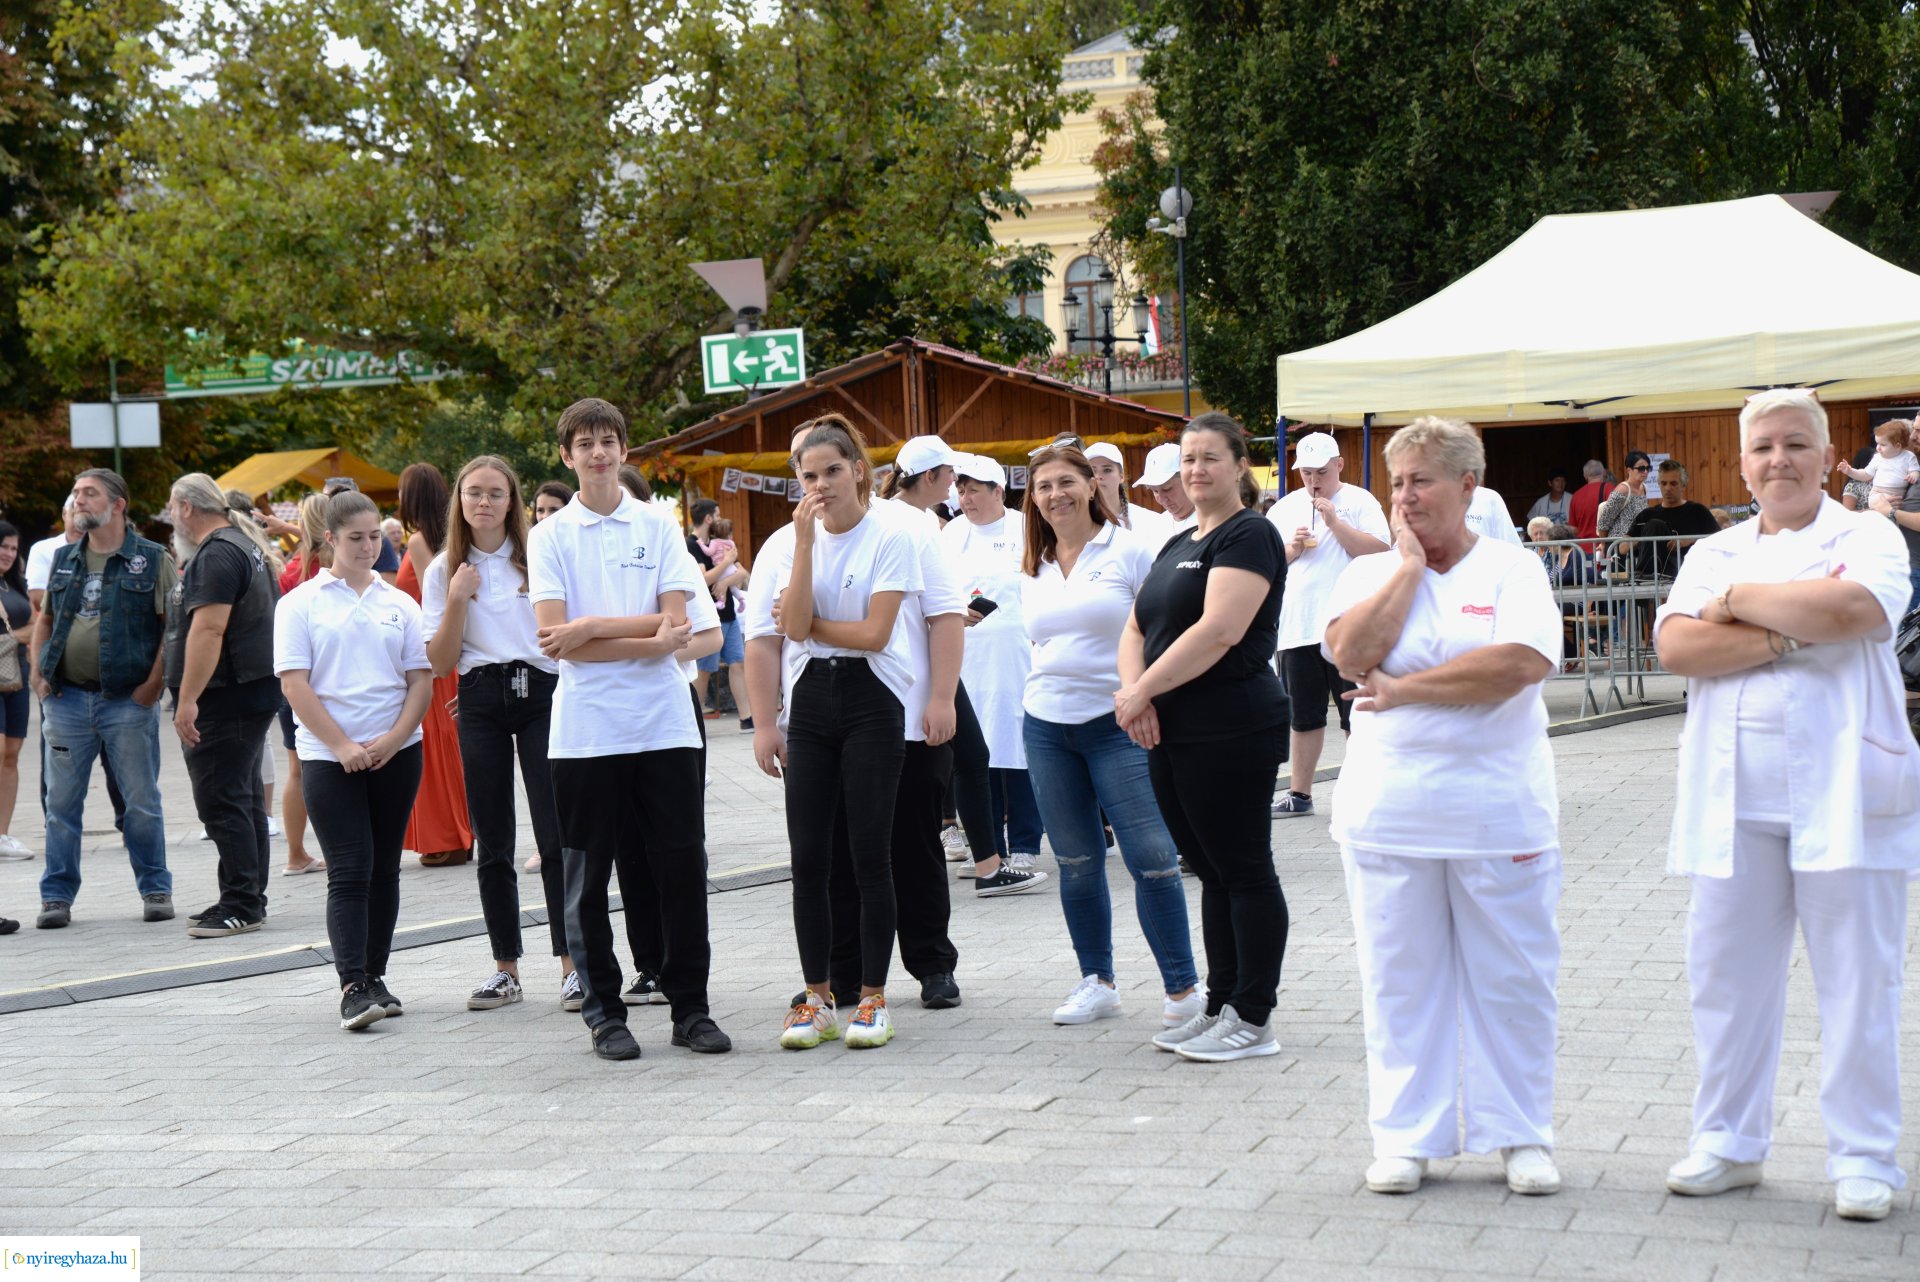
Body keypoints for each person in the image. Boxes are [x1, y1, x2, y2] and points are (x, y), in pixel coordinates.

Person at [1654, 387, 1920, 1222]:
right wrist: (1786, 631)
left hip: (1849, 790)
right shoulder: (1716, 548)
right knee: (1726, 981)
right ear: (1742, 464)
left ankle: (1865, 1158)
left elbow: (1856, 608)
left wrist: (1736, 604)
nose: (1780, 460)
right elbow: (1677, 644)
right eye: (1764, 446)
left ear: (1828, 456)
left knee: (1858, 983)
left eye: (1797, 444)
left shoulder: (1868, 534)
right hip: (1735, 800)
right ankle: (1729, 1144)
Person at [1322, 415, 1566, 1198]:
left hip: (1498, 813)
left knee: (1513, 982)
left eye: (1421, 480)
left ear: (1467, 485)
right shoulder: (1369, 572)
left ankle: (1519, 1134)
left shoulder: (1511, 568)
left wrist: (1404, 691)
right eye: (1397, 483)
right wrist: (1405, 570)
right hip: (1390, 814)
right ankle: (1406, 1137)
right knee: (1399, 982)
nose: (1405, 496)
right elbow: (1351, 654)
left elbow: (1516, 665)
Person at [529, 397, 731, 1061]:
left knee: (682, 867)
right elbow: (558, 641)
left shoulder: (657, 523)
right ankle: (604, 1014)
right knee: (587, 878)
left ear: (623, 448)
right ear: (567, 455)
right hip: (587, 730)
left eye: (607, 441)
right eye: (584, 443)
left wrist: (593, 628)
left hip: (664, 722)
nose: (597, 453)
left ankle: (691, 1009)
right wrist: (640, 640)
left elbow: (678, 624)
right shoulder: (550, 536)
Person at [1119, 412, 1290, 1063]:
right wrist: (1135, 693)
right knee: (1213, 872)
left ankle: (1254, 1016)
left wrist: (1141, 692)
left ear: (1240, 465)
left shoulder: (1250, 534)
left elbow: (1219, 630)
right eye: (1188, 458)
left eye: (1210, 457)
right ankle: (1221, 1004)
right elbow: (1135, 628)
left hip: (1232, 724)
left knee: (1244, 869)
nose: (1196, 470)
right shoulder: (1176, 542)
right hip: (1173, 729)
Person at [1020, 443, 1198, 1031]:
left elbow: (1166, 630)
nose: (1056, 495)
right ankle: (1097, 982)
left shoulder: (1131, 549)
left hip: (1120, 724)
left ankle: (1182, 989)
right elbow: (1041, 643)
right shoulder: (1034, 563)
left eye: (1066, 481)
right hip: (1047, 726)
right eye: (1044, 486)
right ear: (1033, 498)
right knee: (1075, 861)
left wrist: (1145, 695)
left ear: (1091, 485)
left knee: (1153, 858)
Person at [770, 416, 923, 1051]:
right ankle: (817, 998)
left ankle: (872, 996)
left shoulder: (892, 535)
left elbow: (874, 635)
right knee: (808, 857)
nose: (821, 485)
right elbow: (789, 628)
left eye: (833, 470)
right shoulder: (794, 540)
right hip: (809, 698)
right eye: (809, 476)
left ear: (858, 470)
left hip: (872, 698)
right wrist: (806, 547)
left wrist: (810, 625)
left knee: (869, 854)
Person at [275, 489, 433, 1030]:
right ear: (329, 539)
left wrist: (395, 738)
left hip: (397, 751)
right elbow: (295, 684)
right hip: (328, 755)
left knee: (385, 867)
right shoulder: (301, 603)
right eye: (356, 538)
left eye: (374, 537)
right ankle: (352, 985)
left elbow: (420, 680)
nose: (369, 547)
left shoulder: (400, 603)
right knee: (349, 868)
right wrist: (342, 745)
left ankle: (375, 975)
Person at [424, 455, 572, 1014]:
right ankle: (505, 968)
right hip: (479, 697)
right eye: (473, 493)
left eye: (495, 493)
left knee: (554, 834)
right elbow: (441, 662)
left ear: (513, 502)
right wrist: (457, 597)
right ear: (459, 500)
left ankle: (572, 965)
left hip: (541, 694)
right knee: (492, 839)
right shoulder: (444, 569)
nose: (483, 502)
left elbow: (561, 637)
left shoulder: (538, 559)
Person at [28, 469, 176, 929]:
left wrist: (151, 688)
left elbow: (172, 630)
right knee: (60, 806)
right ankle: (56, 897)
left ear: (118, 504)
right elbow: (45, 620)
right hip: (66, 700)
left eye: (89, 493)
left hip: (127, 702)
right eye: (76, 493)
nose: (78, 500)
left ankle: (155, 888)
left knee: (141, 802)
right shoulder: (64, 558)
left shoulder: (152, 558)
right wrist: (39, 676)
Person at [164, 475, 284, 938]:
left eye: (172, 507)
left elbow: (209, 629)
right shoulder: (241, 544)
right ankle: (247, 895)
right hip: (246, 690)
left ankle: (241, 904)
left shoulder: (217, 553)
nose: (171, 517)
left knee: (222, 800)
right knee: (243, 798)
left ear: (187, 507)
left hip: (225, 695)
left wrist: (188, 699)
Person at [1266, 432, 1389, 819]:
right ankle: (1299, 794)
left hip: (1350, 627)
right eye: (1306, 473)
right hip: (1299, 626)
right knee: (1303, 717)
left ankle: (1363, 792)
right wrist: (1292, 548)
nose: (1313, 480)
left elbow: (1381, 550)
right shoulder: (1284, 508)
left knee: (1357, 714)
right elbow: (1266, 563)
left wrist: (1335, 523)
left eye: (1321, 471)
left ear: (1339, 465)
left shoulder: (1360, 501)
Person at [942, 453, 1048, 886]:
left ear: (998, 491)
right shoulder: (951, 533)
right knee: (975, 751)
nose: (966, 499)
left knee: (1017, 746)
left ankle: (1025, 843)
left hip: (1017, 655)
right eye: (961, 490)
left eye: (974, 490)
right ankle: (988, 847)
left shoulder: (1025, 528)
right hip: (968, 657)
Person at [26, 497, 128, 831]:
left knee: (117, 757)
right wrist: (39, 676)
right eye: (73, 508)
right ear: (64, 514)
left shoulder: (114, 550)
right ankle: (56, 824)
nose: (79, 513)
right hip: (62, 681)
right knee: (57, 757)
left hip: (113, 679)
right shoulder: (49, 551)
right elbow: (40, 601)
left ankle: (126, 820)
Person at [394, 463, 474, 866]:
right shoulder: (449, 537)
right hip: (447, 648)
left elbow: (434, 597)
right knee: (447, 742)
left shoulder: (418, 541)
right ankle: (458, 831)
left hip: (430, 651)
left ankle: (448, 836)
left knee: (436, 743)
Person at [274, 493, 331, 875]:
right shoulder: (338, 567)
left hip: (294, 676)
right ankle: (338, 847)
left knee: (297, 770)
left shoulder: (292, 569)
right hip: (330, 679)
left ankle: (296, 853)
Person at [685, 499, 751, 730]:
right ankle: (693, 718)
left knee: (738, 663)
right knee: (705, 669)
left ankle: (746, 717)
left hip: (729, 615)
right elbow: (703, 579)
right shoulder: (692, 545)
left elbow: (742, 573)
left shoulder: (719, 541)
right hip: (708, 617)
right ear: (708, 518)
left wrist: (724, 582)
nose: (720, 519)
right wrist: (727, 564)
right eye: (718, 515)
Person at [1624, 460, 1720, 576]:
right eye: (1664, 483)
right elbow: (1622, 548)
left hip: (1687, 572)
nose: (1668, 488)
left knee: (1656, 525)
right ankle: (1645, 576)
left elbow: (1719, 539)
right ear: (1659, 485)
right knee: (1655, 526)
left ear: (1683, 485)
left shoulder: (1698, 511)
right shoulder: (1646, 514)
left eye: (1673, 483)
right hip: (1651, 577)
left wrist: (1690, 540)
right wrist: (1648, 539)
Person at [0, 522, 32, 858]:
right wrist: (20, 636)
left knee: (11, 754)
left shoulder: (15, 584)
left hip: (16, 676)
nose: (8, 553)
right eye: (3, 546)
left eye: (13, 548)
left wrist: (11, 637)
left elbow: (36, 625)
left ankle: (2, 835)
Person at [1866, 419, 1920, 615]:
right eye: (1913, 430)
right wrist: (1877, 506)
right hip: (1899, 564)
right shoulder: (1900, 466)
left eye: (1918, 431)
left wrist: (1890, 512)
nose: (1913, 436)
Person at [1087, 442, 1170, 542]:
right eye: (1092, 471)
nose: (1098, 476)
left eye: (1107, 470)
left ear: (1121, 476)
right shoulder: (1077, 523)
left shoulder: (1149, 522)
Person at [1838, 419, 1920, 508]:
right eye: (1877, 443)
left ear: (1897, 446)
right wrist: (1850, 471)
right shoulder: (1878, 458)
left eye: (1883, 445)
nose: (1877, 448)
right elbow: (1865, 474)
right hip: (1877, 492)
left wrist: (1914, 475)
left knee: (1896, 505)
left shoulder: (1909, 456)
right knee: (1878, 500)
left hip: (1898, 494)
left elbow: (1915, 470)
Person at [1133, 442, 1196, 533]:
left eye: (1167, 489)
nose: (1161, 499)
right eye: (1155, 491)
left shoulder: (1213, 521)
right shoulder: (1158, 526)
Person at [1596, 450, 1653, 548]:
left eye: (1648, 468)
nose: (1645, 472)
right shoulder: (1623, 490)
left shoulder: (1644, 488)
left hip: (1636, 546)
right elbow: (1603, 522)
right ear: (1629, 470)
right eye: (1641, 468)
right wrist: (1604, 545)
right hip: (1618, 546)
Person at [1567, 459, 1613, 544]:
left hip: (1581, 547)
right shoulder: (1609, 489)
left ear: (1585, 476)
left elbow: (1573, 528)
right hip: (1602, 546)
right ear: (1604, 473)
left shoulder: (1576, 496)